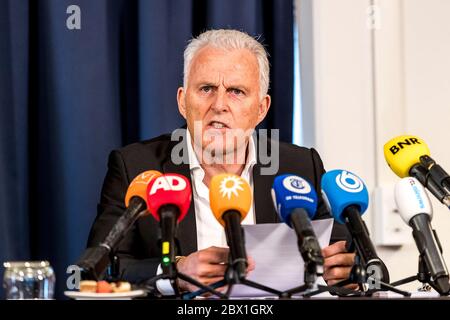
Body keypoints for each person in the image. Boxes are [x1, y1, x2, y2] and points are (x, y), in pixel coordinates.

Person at [86, 29, 355, 295]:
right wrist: (174, 273)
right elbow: (97, 269)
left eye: (236, 91)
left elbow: (362, 263)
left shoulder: (299, 166)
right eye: (206, 88)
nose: (219, 105)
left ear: (262, 108)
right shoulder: (136, 167)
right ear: (182, 101)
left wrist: (347, 270)